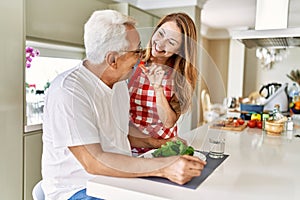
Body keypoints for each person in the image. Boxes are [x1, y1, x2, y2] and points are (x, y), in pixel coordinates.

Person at [41, 10, 206, 200]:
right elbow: (94, 162)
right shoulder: (69, 91)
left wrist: (157, 143)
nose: (140, 56)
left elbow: (119, 134)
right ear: (112, 60)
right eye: (136, 51)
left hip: (116, 181)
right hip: (80, 190)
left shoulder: (119, 85)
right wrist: (164, 167)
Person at [128, 13, 198, 154]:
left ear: (180, 50)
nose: (160, 44)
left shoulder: (181, 78)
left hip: (164, 150)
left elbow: (168, 122)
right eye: (160, 34)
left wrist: (158, 88)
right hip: (130, 147)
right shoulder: (132, 60)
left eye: (171, 42)